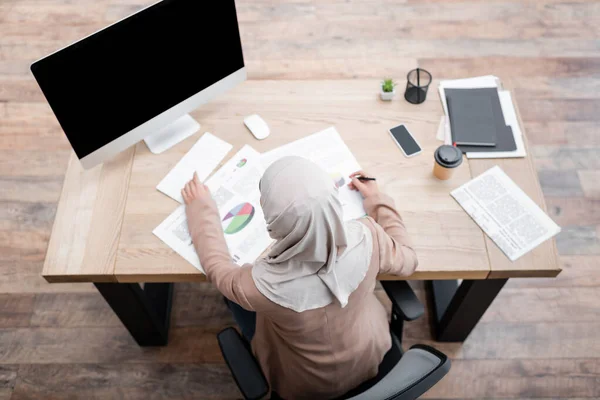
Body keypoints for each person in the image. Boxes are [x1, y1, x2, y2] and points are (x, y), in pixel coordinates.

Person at [182, 156, 418, 400]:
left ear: (273, 226)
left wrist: (201, 210)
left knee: (233, 303)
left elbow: (219, 269)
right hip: (370, 354)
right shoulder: (369, 235)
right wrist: (376, 199)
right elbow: (409, 259)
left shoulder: (258, 285)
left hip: (303, 384)